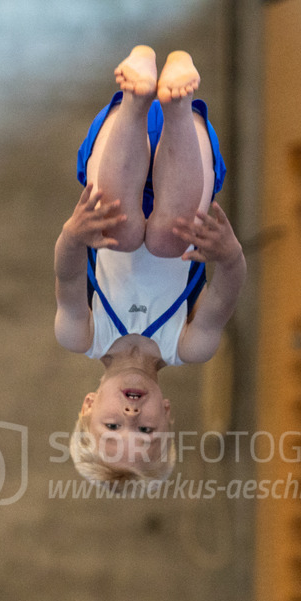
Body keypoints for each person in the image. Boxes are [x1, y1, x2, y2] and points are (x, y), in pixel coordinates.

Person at [54, 45, 246, 483]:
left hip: (119, 150)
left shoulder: (79, 335)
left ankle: (139, 94)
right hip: (186, 166)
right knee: (167, 241)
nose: (130, 412)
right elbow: (225, 290)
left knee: (117, 233)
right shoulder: (189, 345)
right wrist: (229, 252)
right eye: (145, 430)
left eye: (112, 427)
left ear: (88, 407)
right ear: (167, 414)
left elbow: (65, 274)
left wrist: (73, 234)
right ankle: (176, 105)